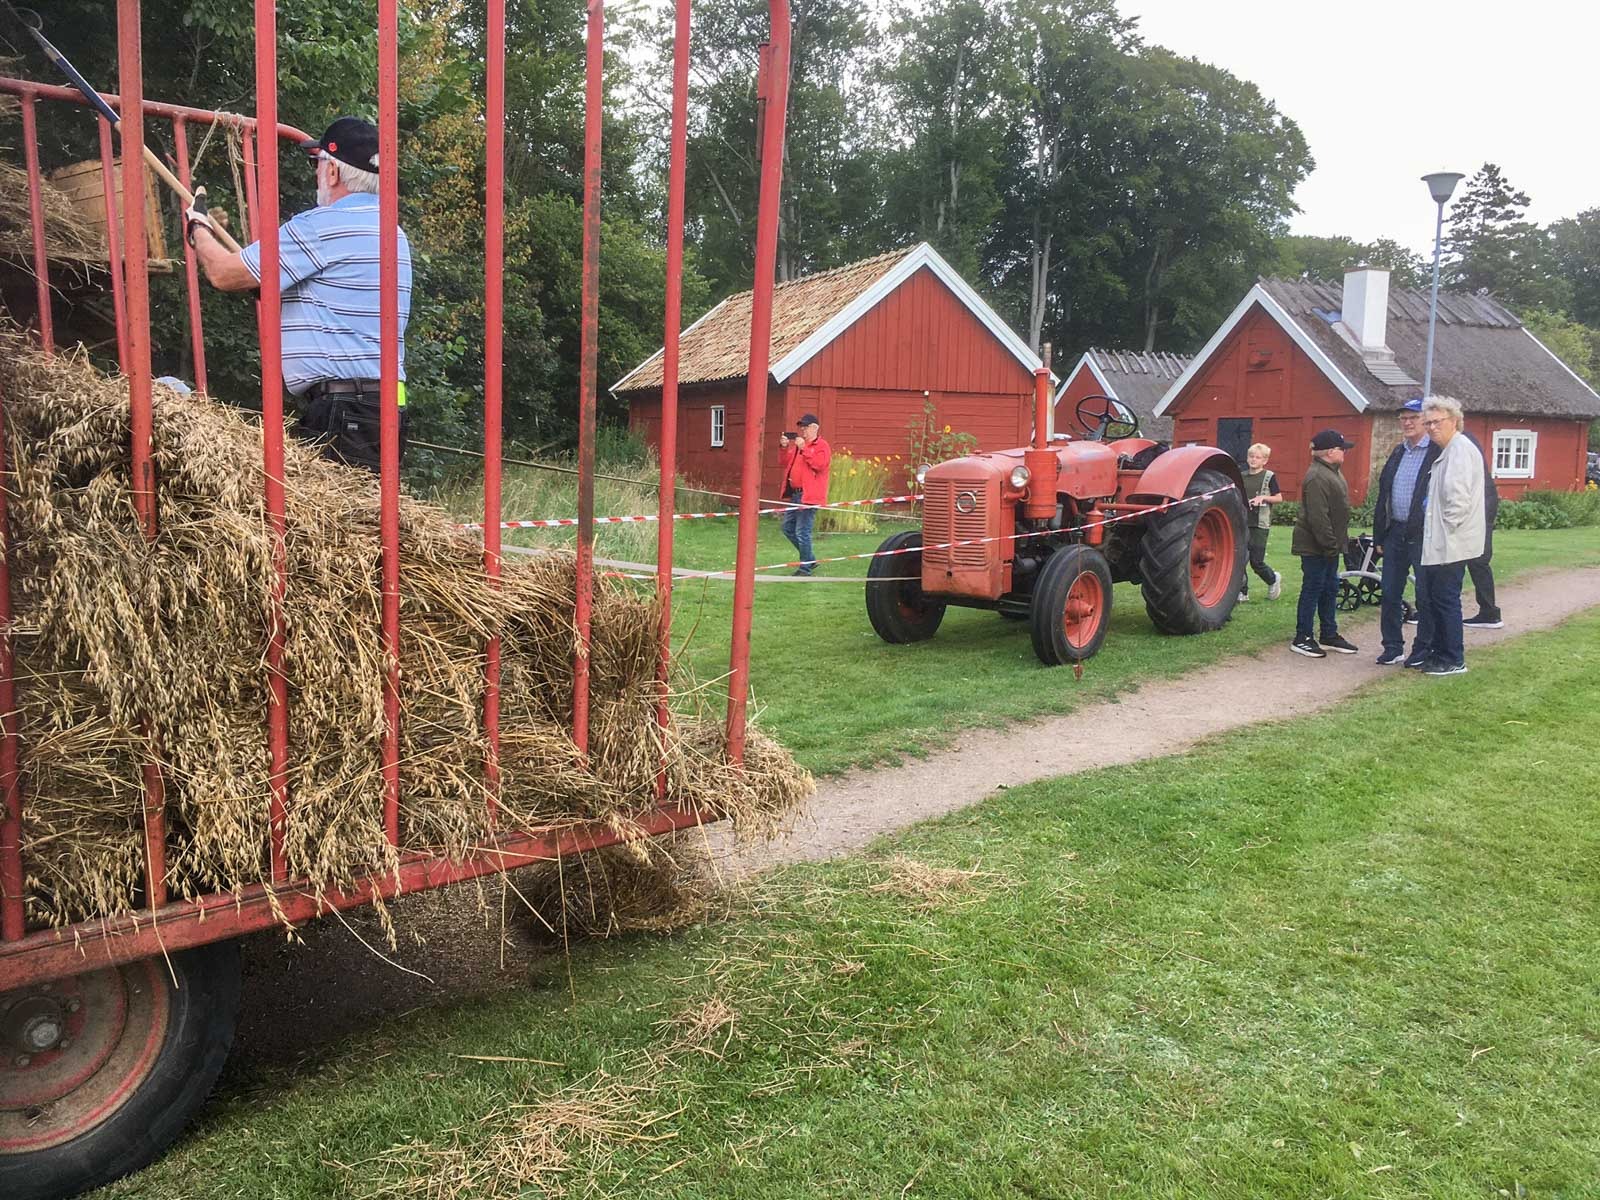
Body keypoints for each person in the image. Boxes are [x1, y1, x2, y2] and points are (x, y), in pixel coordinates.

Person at [184, 117, 414, 472]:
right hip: (382, 407)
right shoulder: (391, 232)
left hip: (343, 410)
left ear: (333, 172)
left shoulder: (320, 227)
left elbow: (224, 274)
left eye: (316, 163)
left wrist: (198, 227)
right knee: (366, 507)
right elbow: (309, 290)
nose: (316, 173)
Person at [1418, 396, 1486, 676]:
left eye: (1437, 422)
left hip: (1451, 542)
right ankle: (1440, 652)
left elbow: (1457, 498)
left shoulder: (1459, 450)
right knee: (1438, 598)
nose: (1432, 428)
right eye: (1428, 423)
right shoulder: (1448, 450)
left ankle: (1453, 658)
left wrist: (1447, 528)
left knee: (1445, 599)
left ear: (1454, 421)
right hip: (1443, 541)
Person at [1371, 398, 1441, 667]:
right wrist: (1380, 535)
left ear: (1425, 420)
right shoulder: (1399, 452)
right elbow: (1384, 496)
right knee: (1389, 591)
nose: (1408, 423)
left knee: (1425, 594)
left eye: (1413, 418)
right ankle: (1392, 646)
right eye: (1403, 418)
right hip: (1395, 531)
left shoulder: (1436, 452)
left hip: (1423, 533)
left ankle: (1423, 647)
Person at [1290, 429, 1359, 658]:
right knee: (1313, 589)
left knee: (1330, 588)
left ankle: (1328, 633)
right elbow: (1318, 517)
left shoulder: (1332, 472)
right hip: (1316, 546)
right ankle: (1303, 637)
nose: (1345, 452)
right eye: (1342, 449)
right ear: (1330, 452)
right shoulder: (1317, 477)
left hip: (1329, 546)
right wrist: (1330, 546)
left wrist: (1335, 546)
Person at [778, 414, 832, 576]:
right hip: (795, 494)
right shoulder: (798, 447)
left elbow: (819, 465)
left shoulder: (822, 446)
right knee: (787, 528)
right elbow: (784, 463)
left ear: (815, 428)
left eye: (806, 427)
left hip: (809, 495)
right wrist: (784, 447)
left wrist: (805, 449)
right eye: (802, 427)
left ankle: (805, 568)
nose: (803, 430)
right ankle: (809, 559)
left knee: (802, 531)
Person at [1460, 430, 1503, 629]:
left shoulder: (1462, 442)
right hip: (1482, 502)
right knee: (1477, 562)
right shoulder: (1465, 439)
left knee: (1478, 560)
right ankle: (1489, 611)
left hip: (1480, 505)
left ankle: (1489, 612)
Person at [1238, 442, 1283, 603]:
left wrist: (1263, 498)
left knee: (1256, 562)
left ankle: (1273, 579)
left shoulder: (1269, 476)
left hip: (1259, 524)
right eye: (1251, 456)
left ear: (1265, 460)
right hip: (1242, 522)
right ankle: (1242, 592)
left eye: (1258, 457)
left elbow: (1279, 498)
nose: (1253, 460)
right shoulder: (1241, 476)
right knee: (1239, 560)